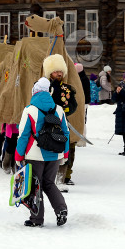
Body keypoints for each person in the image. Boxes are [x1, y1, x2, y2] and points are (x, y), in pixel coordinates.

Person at [15, 77, 69, 227]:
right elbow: (66, 132)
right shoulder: (58, 109)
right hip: (55, 153)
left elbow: (23, 135)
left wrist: (19, 156)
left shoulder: (29, 110)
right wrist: (64, 154)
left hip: (35, 154)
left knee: (35, 186)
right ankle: (61, 209)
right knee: (49, 183)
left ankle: (36, 219)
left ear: (34, 92)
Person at [44, 54, 78, 187]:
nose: (59, 74)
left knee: (65, 148)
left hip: (62, 124)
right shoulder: (43, 87)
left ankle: (62, 177)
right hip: (45, 124)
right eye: (55, 71)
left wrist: (62, 113)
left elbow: (73, 106)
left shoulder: (68, 89)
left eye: (60, 71)